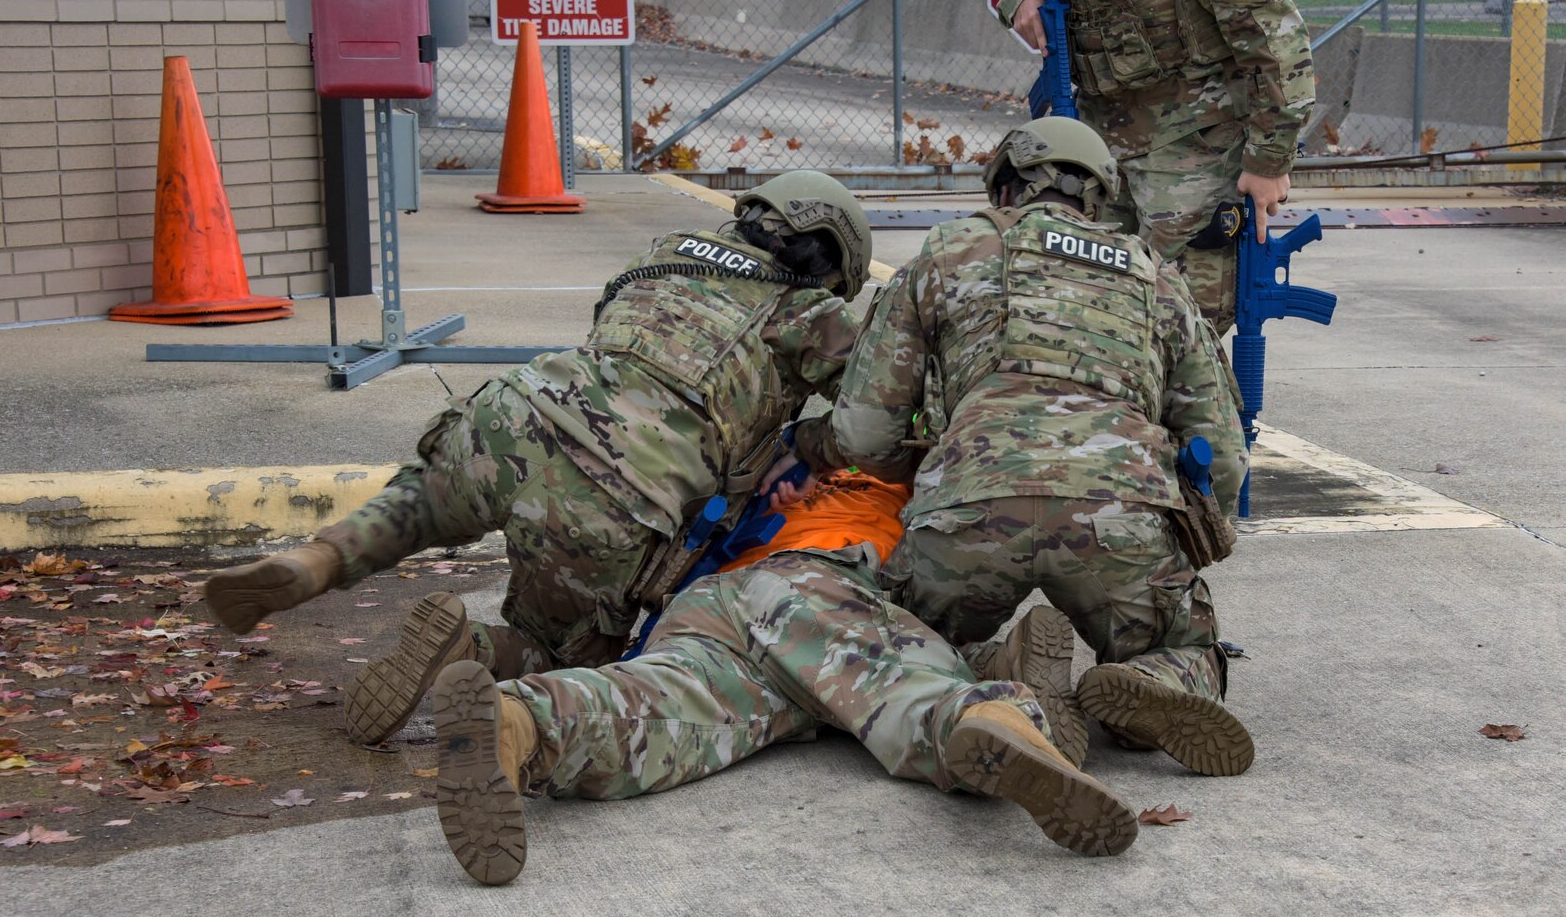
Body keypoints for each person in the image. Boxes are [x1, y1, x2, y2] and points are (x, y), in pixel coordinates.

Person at [202, 171, 872, 745]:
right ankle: (471, 652)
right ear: (830, 259)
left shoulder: (665, 254)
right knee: (567, 653)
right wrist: (809, 447)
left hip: (515, 412)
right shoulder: (810, 314)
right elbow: (879, 414)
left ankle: (314, 560)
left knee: (421, 501)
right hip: (618, 486)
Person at [780, 119, 1254, 778]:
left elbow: (866, 435)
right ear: (1096, 198)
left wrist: (804, 443)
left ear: (1004, 187)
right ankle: (1160, 679)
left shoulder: (947, 254)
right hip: (1119, 515)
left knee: (897, 643)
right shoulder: (1157, 278)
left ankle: (994, 679)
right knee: (1189, 643)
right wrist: (1203, 536)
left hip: (972, 509)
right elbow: (1221, 447)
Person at [420, 471, 1139, 887]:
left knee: (655, 712)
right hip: (811, 586)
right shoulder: (904, 484)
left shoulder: (768, 478)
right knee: (904, 684)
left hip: (703, 607)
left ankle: (519, 724)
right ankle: (989, 719)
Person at [994, 0, 1315, 332]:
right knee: (1087, 310)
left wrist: (1269, 160)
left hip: (1193, 149)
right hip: (1098, 145)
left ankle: (1201, 411)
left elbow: (1275, 41)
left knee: (1179, 323)